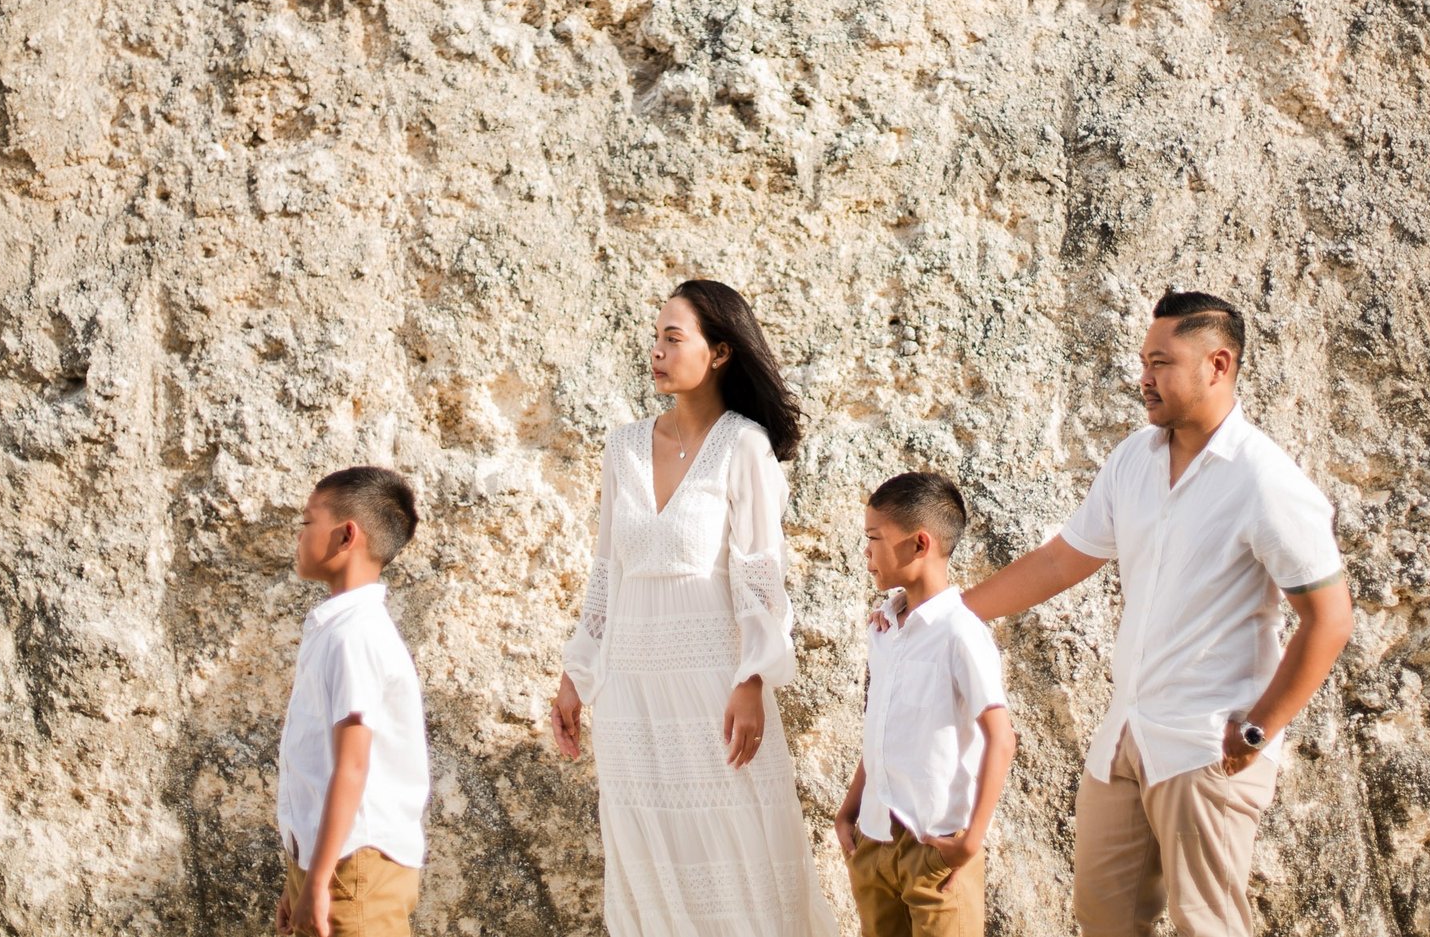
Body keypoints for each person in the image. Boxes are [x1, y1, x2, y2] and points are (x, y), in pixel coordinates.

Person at [961, 291, 1353, 937]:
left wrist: (1258, 729)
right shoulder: (1133, 459)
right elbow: (1063, 560)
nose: (1144, 377)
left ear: (1217, 364)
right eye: (1144, 360)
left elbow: (1330, 618)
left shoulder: (1265, 480)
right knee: (1104, 918)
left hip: (1207, 743)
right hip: (1126, 734)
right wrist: (951, 612)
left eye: (1162, 362)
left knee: (1209, 926)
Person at [551, 279, 836, 935]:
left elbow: (760, 576)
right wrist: (577, 673)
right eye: (655, 337)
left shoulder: (743, 447)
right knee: (650, 861)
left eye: (672, 337)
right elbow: (606, 571)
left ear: (720, 352)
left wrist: (752, 678)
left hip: (712, 688)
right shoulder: (621, 448)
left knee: (740, 854)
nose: (656, 350)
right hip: (630, 691)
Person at [835, 473, 1015, 937]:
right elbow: (884, 726)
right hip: (875, 838)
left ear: (919, 544)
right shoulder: (885, 627)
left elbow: (1002, 738)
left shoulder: (960, 632)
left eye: (874, 539)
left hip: (936, 847)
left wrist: (969, 842)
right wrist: (849, 809)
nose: (867, 553)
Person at [275, 466, 430, 937]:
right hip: (332, 863)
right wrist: (298, 879)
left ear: (346, 536)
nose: (299, 536)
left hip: (355, 872)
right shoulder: (336, 629)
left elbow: (352, 767)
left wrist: (318, 882)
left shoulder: (356, 636)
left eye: (307, 523)